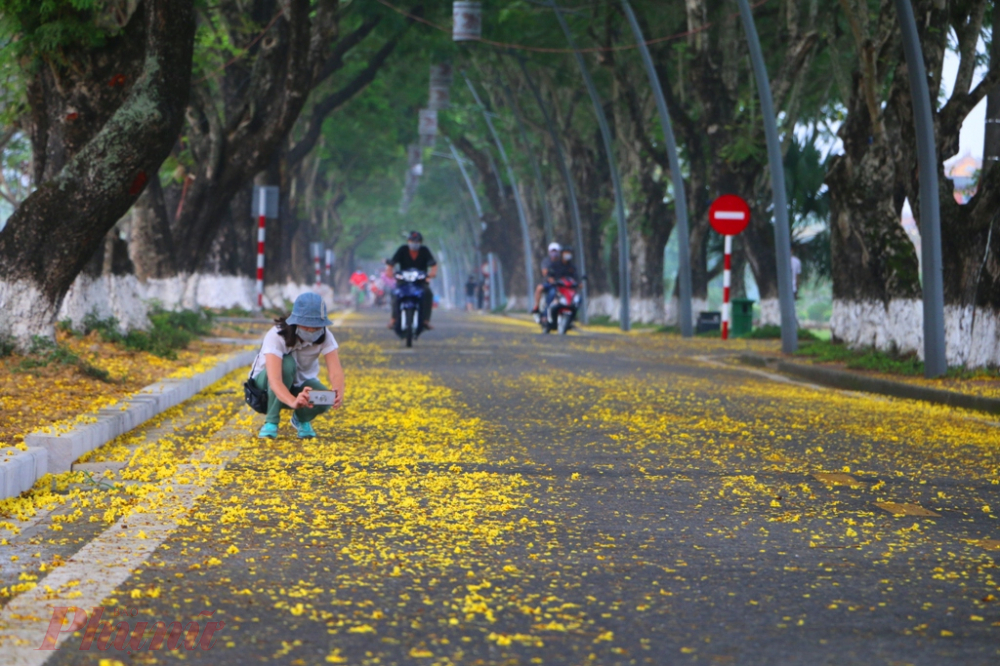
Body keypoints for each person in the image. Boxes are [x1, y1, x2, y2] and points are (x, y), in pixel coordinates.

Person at [250, 292, 345, 439]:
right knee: (286, 364)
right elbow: (275, 380)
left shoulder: (325, 335)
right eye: (307, 327)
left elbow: (335, 372)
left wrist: (338, 393)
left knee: (325, 397)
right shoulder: (276, 335)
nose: (312, 331)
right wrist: (293, 401)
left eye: (316, 327)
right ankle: (271, 421)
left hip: (298, 387)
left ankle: (301, 419)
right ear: (295, 322)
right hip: (264, 390)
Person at [386, 231, 437, 330]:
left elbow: (433, 264)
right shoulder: (402, 250)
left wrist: (432, 273)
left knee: (428, 293)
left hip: (420, 281)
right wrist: (389, 271)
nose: (414, 243)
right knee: (395, 293)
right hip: (403, 281)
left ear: (421, 242)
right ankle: (393, 318)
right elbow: (392, 262)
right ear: (408, 241)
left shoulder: (424, 251)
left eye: (417, 241)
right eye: (412, 241)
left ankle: (425, 320)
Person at [532, 242, 563, 315]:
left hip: (560, 283)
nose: (554, 253)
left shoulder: (562, 262)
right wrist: (551, 279)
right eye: (552, 251)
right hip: (549, 282)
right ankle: (536, 306)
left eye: (556, 251)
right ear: (549, 252)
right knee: (539, 288)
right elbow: (545, 273)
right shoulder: (546, 261)